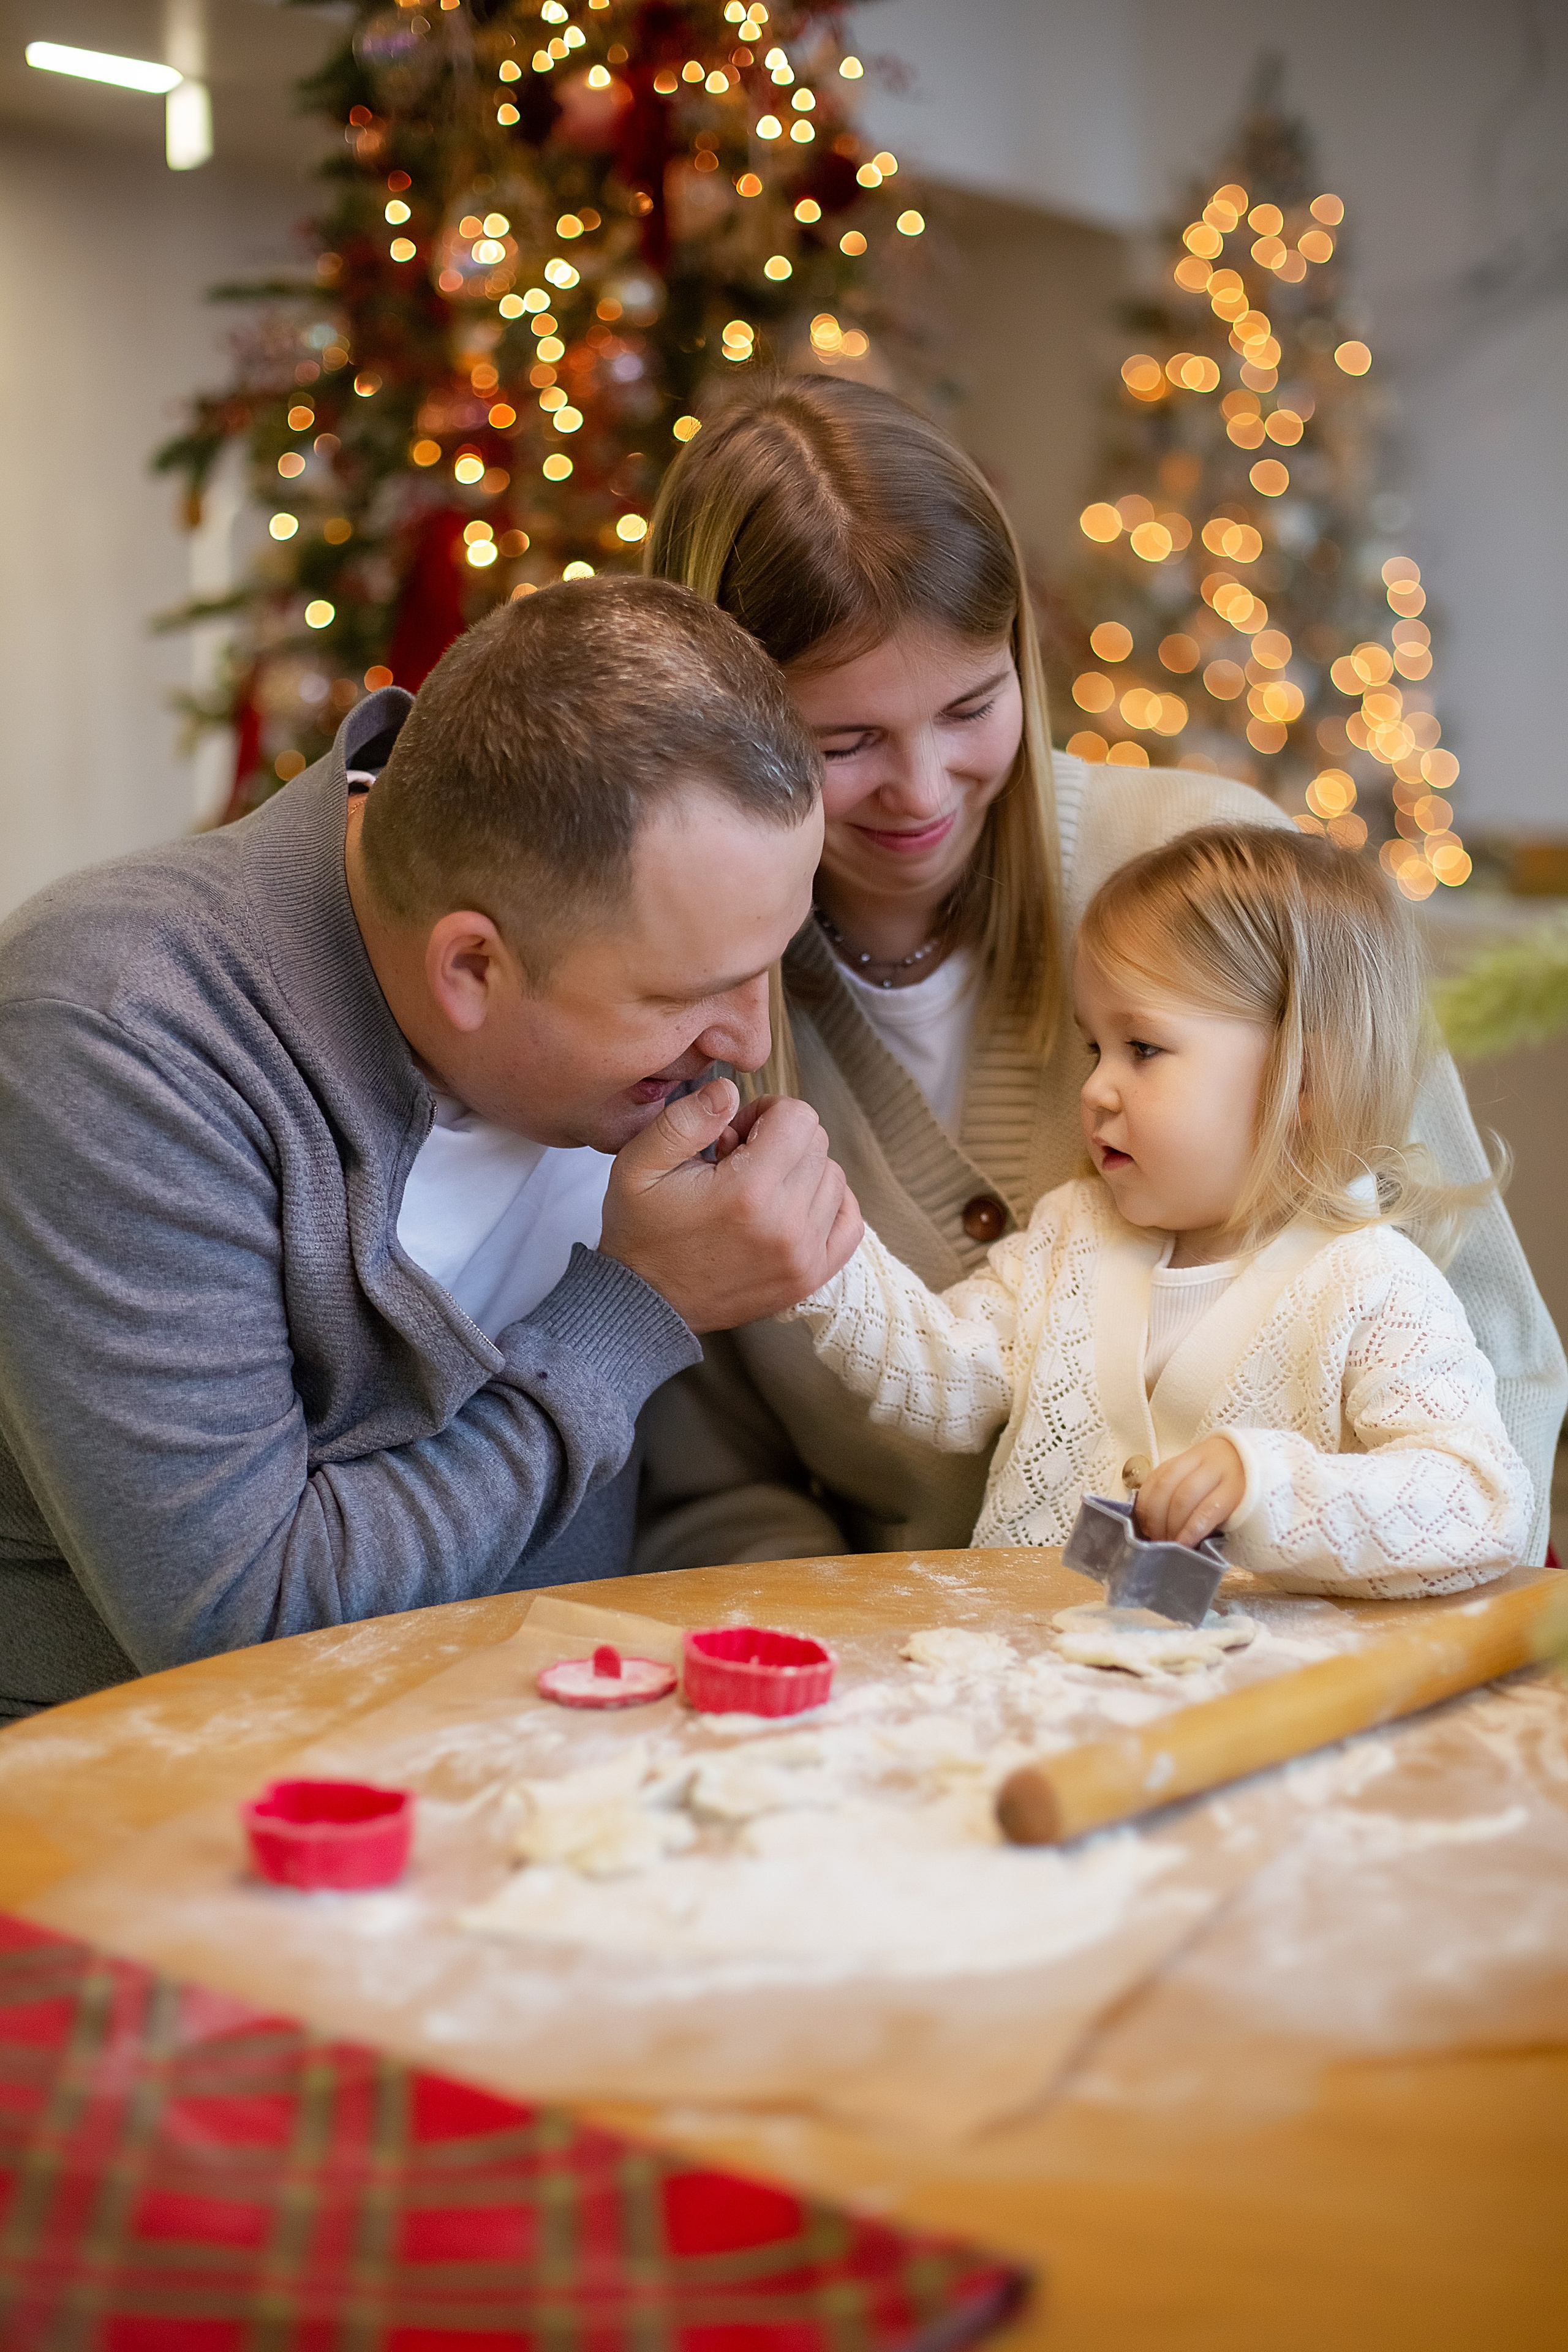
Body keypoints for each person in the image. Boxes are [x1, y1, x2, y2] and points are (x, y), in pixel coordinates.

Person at [635, 377, 1564, 1574]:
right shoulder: (680, 1012)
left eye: (971, 707)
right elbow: (718, 1488)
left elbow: (1484, 1369)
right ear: (727, 732)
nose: (921, 794)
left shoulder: (1216, 882)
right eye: (843, 744)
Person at [0, 578, 861, 1718]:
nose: (750, 1041)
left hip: (548, 1763)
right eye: (692, 993)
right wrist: (637, 1310)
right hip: (165, 1819)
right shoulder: (116, 1034)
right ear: (471, 969)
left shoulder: (603, 963)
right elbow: (242, 1627)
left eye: (770, 962)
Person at [786, 826, 1532, 1596]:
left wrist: (1263, 1485)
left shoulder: (1371, 1286)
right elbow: (942, 1373)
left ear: (1304, 1078)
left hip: (1246, 1702)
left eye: (1141, 1048)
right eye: (1093, 1048)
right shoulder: (1069, 1237)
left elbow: (1481, 1503)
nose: (1095, 1089)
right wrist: (814, 1246)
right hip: (1022, 1680)